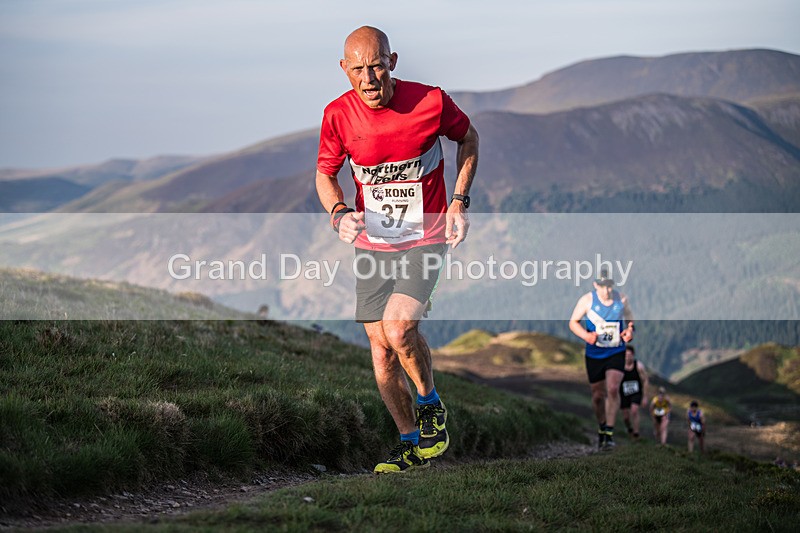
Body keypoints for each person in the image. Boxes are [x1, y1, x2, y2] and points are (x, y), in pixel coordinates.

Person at [315, 26, 479, 473]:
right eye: (358, 69)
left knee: (399, 327)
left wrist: (458, 202)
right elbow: (325, 174)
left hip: (425, 235)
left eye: (377, 66)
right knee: (379, 346)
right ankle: (410, 442)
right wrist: (339, 212)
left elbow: (469, 139)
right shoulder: (337, 115)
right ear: (344, 69)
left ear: (393, 61)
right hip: (373, 242)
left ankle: (430, 404)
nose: (369, 78)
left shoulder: (430, 101)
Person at [569, 270, 635, 450]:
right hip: (594, 353)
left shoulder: (621, 299)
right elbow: (573, 322)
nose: (606, 290)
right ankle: (602, 426)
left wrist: (630, 331)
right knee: (598, 396)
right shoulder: (587, 301)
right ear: (595, 285)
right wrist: (586, 336)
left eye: (609, 286)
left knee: (613, 389)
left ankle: (610, 434)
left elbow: (630, 320)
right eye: (603, 286)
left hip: (616, 351)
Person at [619, 345, 649, 440]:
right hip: (624, 394)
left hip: (636, 392)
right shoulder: (620, 366)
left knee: (634, 410)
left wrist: (645, 396)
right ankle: (629, 429)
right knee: (626, 417)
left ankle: (636, 433)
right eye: (626, 355)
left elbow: (645, 380)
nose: (628, 357)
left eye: (629, 355)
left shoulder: (638, 366)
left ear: (633, 355)